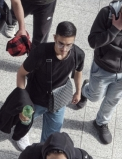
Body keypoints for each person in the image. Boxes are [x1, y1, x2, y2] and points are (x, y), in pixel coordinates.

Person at [76, 0, 122, 145]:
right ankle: (85, 90)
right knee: (95, 96)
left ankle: (100, 123)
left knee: (112, 100)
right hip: (103, 68)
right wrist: (114, 30)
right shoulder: (106, 14)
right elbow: (93, 41)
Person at [15, 22, 84, 150]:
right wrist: (23, 100)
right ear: (54, 38)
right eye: (60, 43)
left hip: (58, 99)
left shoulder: (78, 54)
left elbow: (78, 72)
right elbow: (21, 73)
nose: (64, 49)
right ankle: (21, 134)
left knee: (51, 137)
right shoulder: (40, 52)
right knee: (24, 121)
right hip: (36, 97)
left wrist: (78, 91)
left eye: (69, 45)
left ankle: (43, 153)